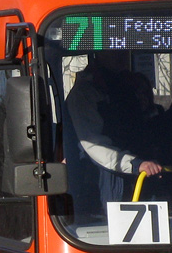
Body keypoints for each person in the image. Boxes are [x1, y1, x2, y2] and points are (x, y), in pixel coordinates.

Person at [64, 52, 163, 216]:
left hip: (143, 173)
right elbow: (94, 145)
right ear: (99, 53)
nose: (121, 55)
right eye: (112, 49)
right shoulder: (85, 93)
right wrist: (135, 164)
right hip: (104, 178)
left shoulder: (133, 85)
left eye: (123, 49)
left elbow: (146, 131)